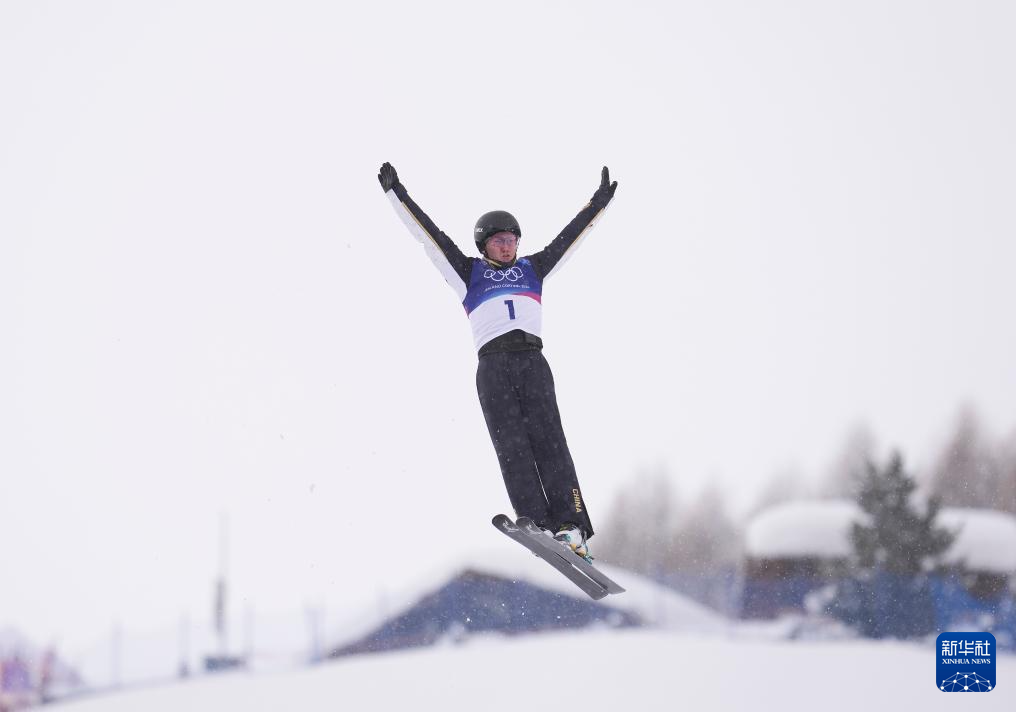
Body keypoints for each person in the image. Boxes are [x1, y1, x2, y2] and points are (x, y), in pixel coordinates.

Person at [378, 162, 617, 559]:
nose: (507, 247)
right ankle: (539, 524)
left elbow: (570, 239)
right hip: (492, 368)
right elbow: (429, 237)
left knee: (550, 442)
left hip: (531, 362)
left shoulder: (533, 269)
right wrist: (396, 194)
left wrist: (598, 203)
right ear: (484, 245)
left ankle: (572, 526)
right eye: (499, 241)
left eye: (512, 240)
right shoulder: (467, 273)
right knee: (512, 449)